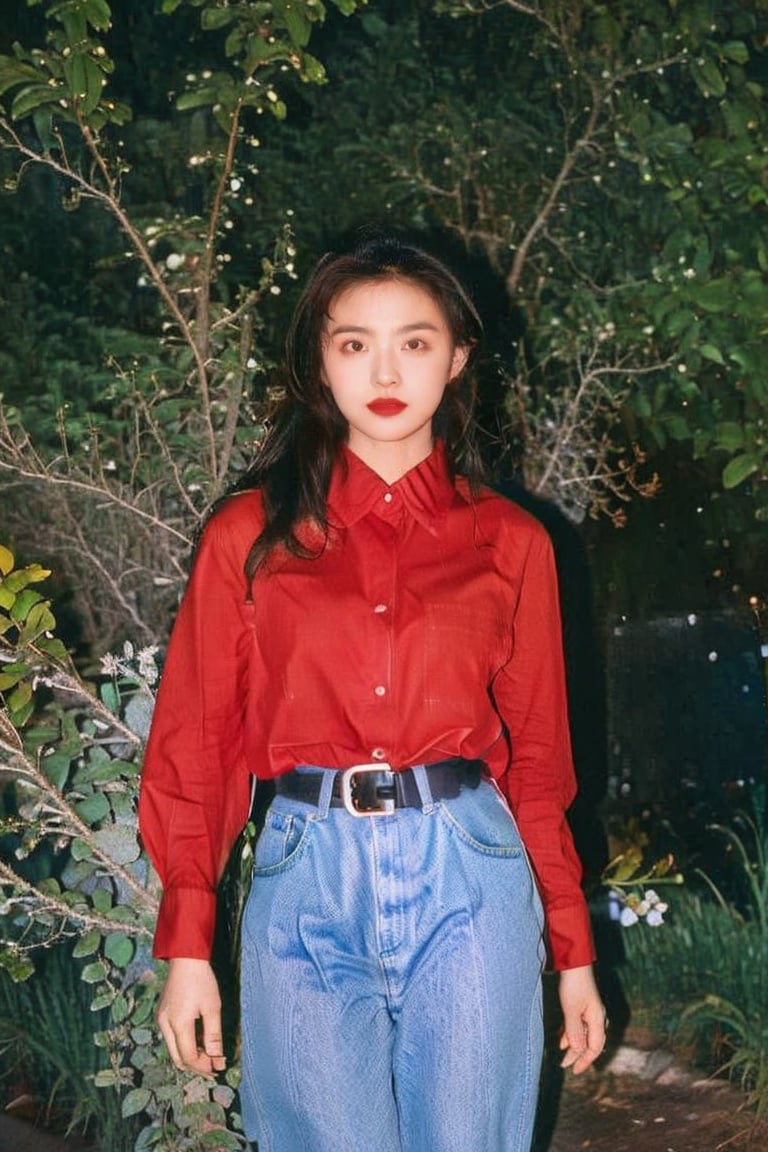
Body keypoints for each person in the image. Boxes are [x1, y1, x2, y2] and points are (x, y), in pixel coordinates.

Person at [138, 229, 606, 1152]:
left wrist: (572, 949)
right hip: (303, 875)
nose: (384, 369)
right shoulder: (249, 534)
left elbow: (541, 758)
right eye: (354, 343)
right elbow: (200, 742)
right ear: (321, 361)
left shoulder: (513, 542)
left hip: (470, 875)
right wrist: (188, 943)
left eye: (415, 341)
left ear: (458, 357)